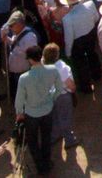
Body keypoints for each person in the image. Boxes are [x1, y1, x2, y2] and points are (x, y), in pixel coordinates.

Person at [15, 44, 63, 176]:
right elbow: (59, 89)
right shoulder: (53, 70)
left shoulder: (24, 78)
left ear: (30, 59)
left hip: (31, 114)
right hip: (47, 110)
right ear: (41, 56)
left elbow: (19, 99)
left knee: (32, 140)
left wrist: (19, 113)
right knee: (46, 137)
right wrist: (51, 99)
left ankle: (40, 166)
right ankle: (46, 163)